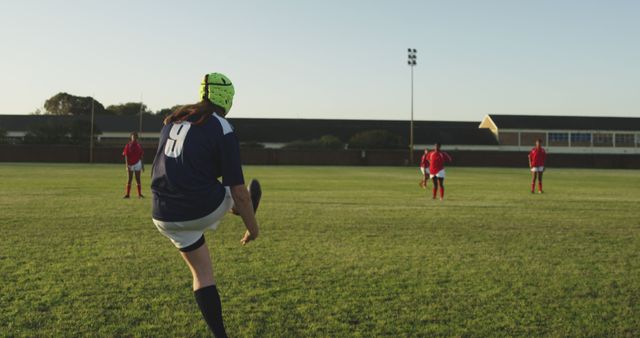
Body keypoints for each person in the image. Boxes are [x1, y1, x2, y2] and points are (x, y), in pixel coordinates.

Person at [151, 72, 261, 338]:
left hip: (162, 214)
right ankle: (234, 209)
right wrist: (253, 228)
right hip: (200, 207)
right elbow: (238, 189)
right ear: (227, 97)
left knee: (202, 274)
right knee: (237, 194)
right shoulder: (222, 126)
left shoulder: (173, 120)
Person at [122, 131, 144, 198]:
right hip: (130, 164)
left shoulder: (139, 146)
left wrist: (142, 165)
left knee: (138, 179)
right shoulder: (128, 145)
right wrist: (126, 165)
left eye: (135, 137)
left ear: (137, 138)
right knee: (129, 179)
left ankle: (139, 194)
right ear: (131, 137)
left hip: (137, 163)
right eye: (133, 137)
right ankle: (127, 194)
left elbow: (141, 156)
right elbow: (126, 155)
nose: (134, 138)